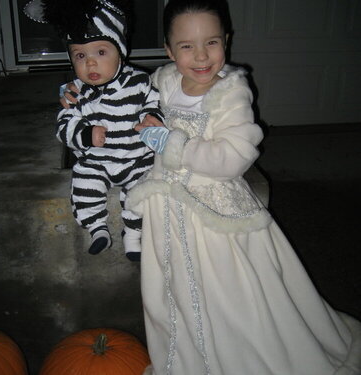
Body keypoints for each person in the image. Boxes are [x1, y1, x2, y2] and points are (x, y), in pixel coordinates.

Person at [124, 0, 361, 373]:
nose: (201, 56)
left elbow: (233, 157)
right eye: (186, 46)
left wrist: (171, 143)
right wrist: (81, 98)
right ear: (169, 50)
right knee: (172, 295)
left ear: (227, 41)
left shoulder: (231, 92)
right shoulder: (163, 80)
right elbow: (125, 100)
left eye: (212, 42)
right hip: (166, 212)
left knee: (232, 297)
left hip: (215, 217)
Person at [24, 0, 163, 259]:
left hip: (135, 160)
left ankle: (133, 235)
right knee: (83, 181)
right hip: (97, 161)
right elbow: (63, 125)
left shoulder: (140, 81)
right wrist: (84, 135)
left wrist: (151, 117)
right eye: (80, 55)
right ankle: (97, 227)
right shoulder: (76, 91)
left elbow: (154, 102)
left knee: (144, 192)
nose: (90, 64)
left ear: (120, 52)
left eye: (101, 53)